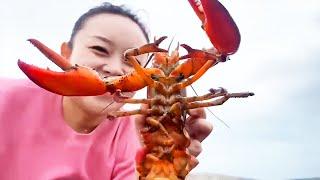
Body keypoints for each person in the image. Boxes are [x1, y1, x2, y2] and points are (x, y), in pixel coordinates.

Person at [0, 2, 212, 179]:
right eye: (100, 49)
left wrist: (166, 169)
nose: (115, 68)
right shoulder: (4, 96)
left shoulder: (137, 135)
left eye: (134, 62)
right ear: (66, 52)